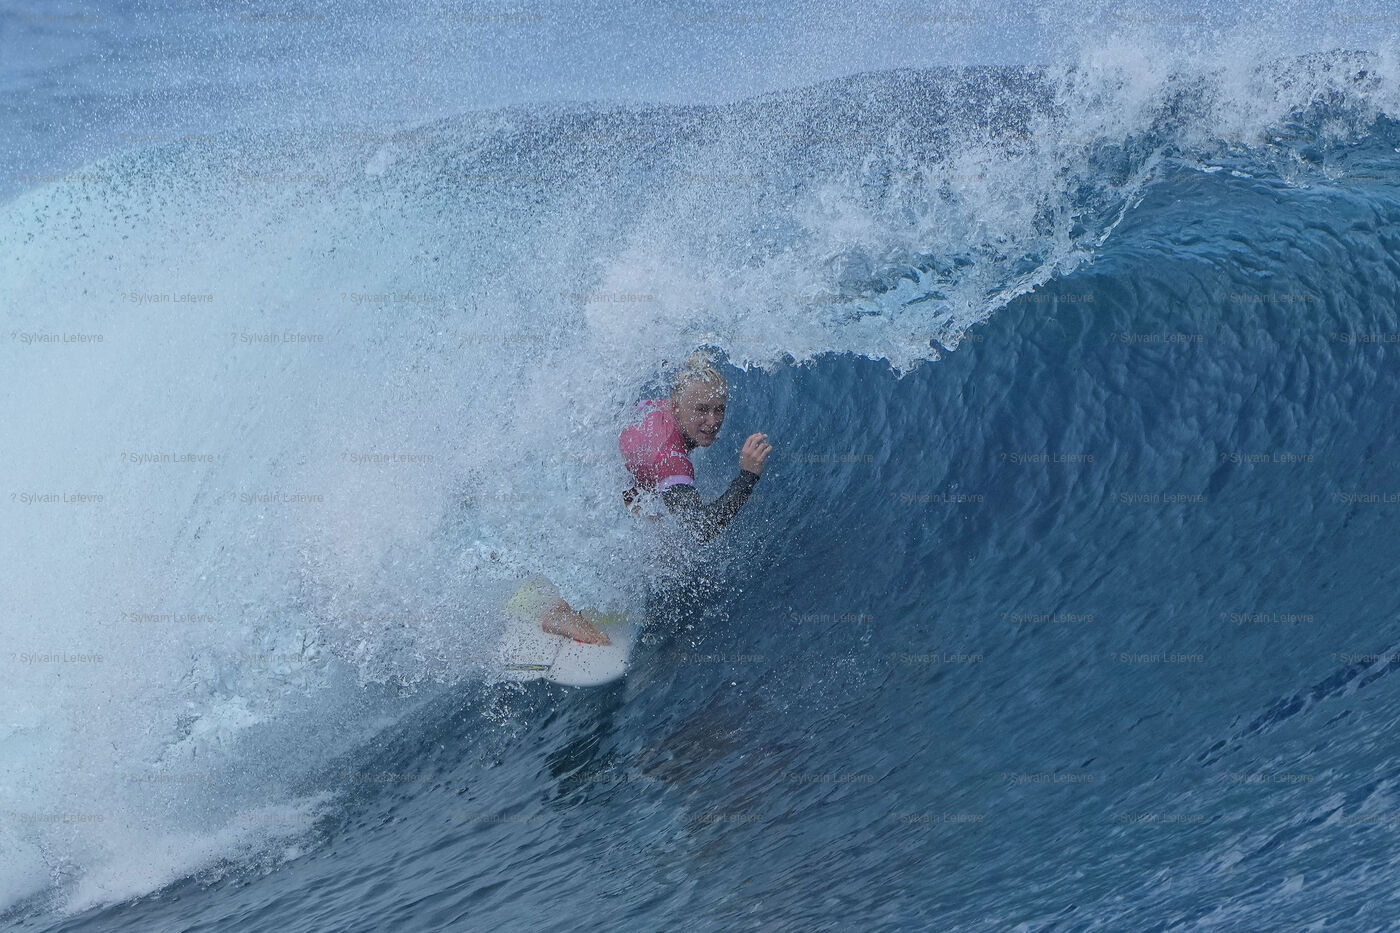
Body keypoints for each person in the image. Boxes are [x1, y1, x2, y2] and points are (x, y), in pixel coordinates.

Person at [619, 354, 772, 542]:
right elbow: (700, 529)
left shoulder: (672, 402)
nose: (713, 421)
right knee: (665, 547)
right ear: (676, 407)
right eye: (701, 410)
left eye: (719, 409)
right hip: (618, 480)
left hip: (623, 434)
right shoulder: (673, 461)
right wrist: (748, 476)